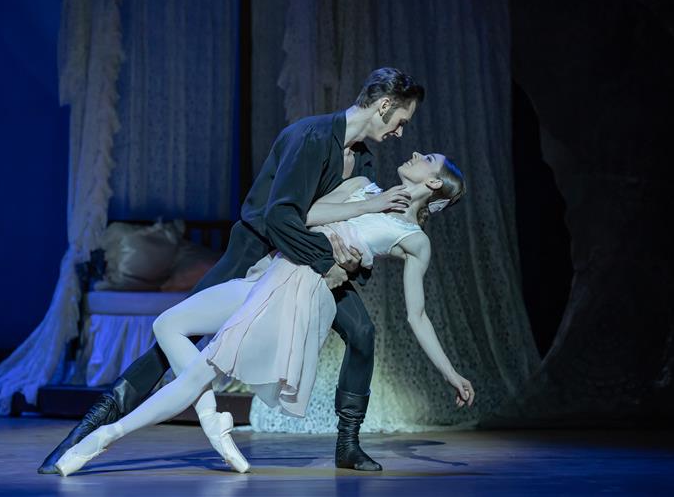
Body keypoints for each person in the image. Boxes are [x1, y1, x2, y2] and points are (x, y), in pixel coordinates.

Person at [39, 67, 424, 474]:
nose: (400, 132)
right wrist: (328, 259)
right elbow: (280, 218)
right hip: (257, 254)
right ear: (384, 105)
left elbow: (350, 222)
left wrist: (356, 253)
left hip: (306, 268)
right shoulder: (310, 136)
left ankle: (348, 444)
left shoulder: (363, 159)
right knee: (173, 338)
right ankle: (83, 432)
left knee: (362, 332)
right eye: (401, 121)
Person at [54, 151, 474, 476]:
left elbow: (417, 316)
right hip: (272, 271)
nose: (415, 154)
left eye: (427, 159)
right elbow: (303, 215)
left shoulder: (414, 239)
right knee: (168, 323)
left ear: (434, 182)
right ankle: (213, 420)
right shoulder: (364, 186)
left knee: (200, 372)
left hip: (301, 291)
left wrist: (451, 373)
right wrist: (371, 204)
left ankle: (101, 440)